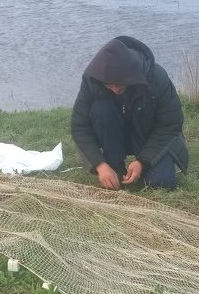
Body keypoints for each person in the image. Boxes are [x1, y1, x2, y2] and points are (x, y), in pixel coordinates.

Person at [70, 36, 189, 190]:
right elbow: (80, 127)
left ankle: (142, 166)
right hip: (114, 133)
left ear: (131, 76)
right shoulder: (92, 80)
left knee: (161, 183)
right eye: (109, 85)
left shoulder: (158, 78)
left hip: (148, 135)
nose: (115, 89)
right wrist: (100, 165)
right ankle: (115, 167)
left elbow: (170, 125)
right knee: (101, 109)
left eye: (119, 84)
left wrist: (142, 161)